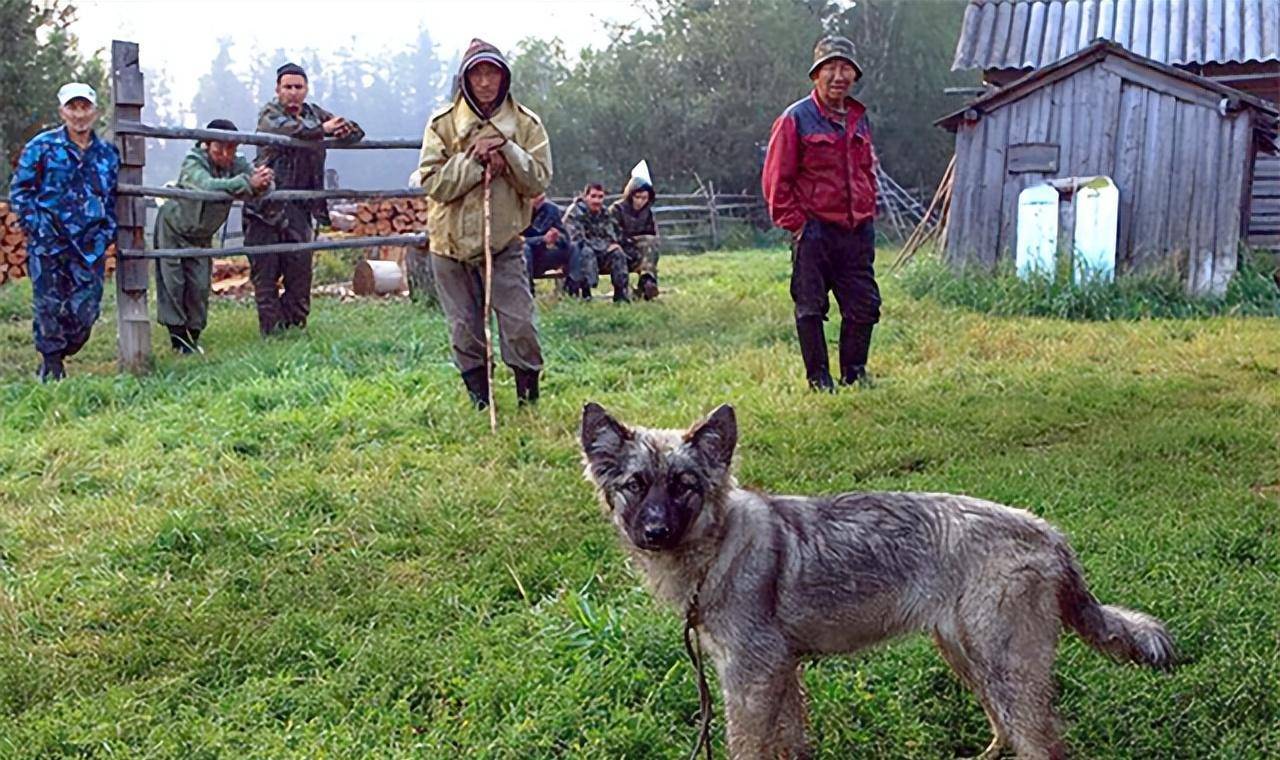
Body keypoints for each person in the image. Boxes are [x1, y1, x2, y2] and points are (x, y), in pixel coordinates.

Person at [416, 38, 553, 409]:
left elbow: (539, 179)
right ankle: (481, 402)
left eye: (493, 73)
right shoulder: (442, 125)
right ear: (465, 80)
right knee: (464, 328)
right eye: (478, 74)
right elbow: (433, 183)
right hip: (450, 246)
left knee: (519, 324)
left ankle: (528, 399)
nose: (486, 82)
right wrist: (473, 161)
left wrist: (507, 153)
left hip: (504, 242)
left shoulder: (526, 124)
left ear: (504, 77)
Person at [762, 35, 881, 391]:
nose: (838, 76)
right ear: (816, 75)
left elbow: (867, 171)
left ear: (855, 76)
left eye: (845, 68)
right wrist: (799, 226)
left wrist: (868, 209)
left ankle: (854, 373)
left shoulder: (859, 119)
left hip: (856, 230)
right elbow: (775, 180)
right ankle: (819, 379)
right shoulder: (795, 119)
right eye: (830, 68)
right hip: (814, 231)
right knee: (811, 307)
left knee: (864, 305)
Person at [8, 82, 119, 381]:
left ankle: (67, 346)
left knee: (86, 311)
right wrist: (37, 226)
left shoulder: (107, 154)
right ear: (62, 111)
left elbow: (112, 198)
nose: (79, 114)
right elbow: (20, 191)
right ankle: (51, 362)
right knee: (49, 304)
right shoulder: (41, 147)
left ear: (95, 112)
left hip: (89, 245)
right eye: (73, 107)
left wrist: (107, 229)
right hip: (50, 242)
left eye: (85, 107)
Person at [244, 62, 364, 336]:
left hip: (300, 208)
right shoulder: (269, 114)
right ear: (278, 89)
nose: (294, 93)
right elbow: (288, 131)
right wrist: (324, 129)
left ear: (306, 89)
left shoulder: (314, 113)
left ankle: (294, 330)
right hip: (264, 207)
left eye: (299, 87)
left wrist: (343, 129)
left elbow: (355, 131)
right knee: (266, 275)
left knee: (300, 275)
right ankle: (272, 334)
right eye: (288, 87)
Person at [153, 119, 273, 353]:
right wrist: (246, 183)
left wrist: (263, 180)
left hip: (202, 233)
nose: (226, 154)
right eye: (220, 147)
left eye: (232, 148)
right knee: (173, 282)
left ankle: (194, 335)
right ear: (207, 144)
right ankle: (178, 340)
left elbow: (262, 185)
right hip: (174, 227)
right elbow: (206, 186)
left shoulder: (236, 163)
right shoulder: (193, 161)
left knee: (199, 285)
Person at [564, 182, 627, 302]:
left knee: (617, 253)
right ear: (585, 197)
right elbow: (577, 239)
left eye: (600, 197)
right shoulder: (575, 212)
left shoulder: (604, 213)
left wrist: (610, 245)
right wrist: (602, 245)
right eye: (593, 196)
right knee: (585, 252)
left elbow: (611, 236)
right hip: (576, 254)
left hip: (599, 251)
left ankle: (621, 295)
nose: (597, 201)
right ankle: (585, 294)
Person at [608, 174, 660, 300]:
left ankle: (647, 283)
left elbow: (652, 233)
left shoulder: (647, 213)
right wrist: (631, 241)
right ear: (630, 196)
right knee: (647, 242)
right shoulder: (617, 210)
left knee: (651, 243)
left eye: (644, 198)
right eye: (637, 197)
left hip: (640, 251)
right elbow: (611, 233)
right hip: (618, 249)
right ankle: (643, 283)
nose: (640, 201)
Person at [522, 192, 573, 295]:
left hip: (544, 255)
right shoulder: (516, 210)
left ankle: (573, 290)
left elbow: (565, 238)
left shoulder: (552, 210)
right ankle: (528, 292)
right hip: (523, 257)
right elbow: (515, 240)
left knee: (574, 247)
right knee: (524, 249)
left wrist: (556, 237)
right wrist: (542, 239)